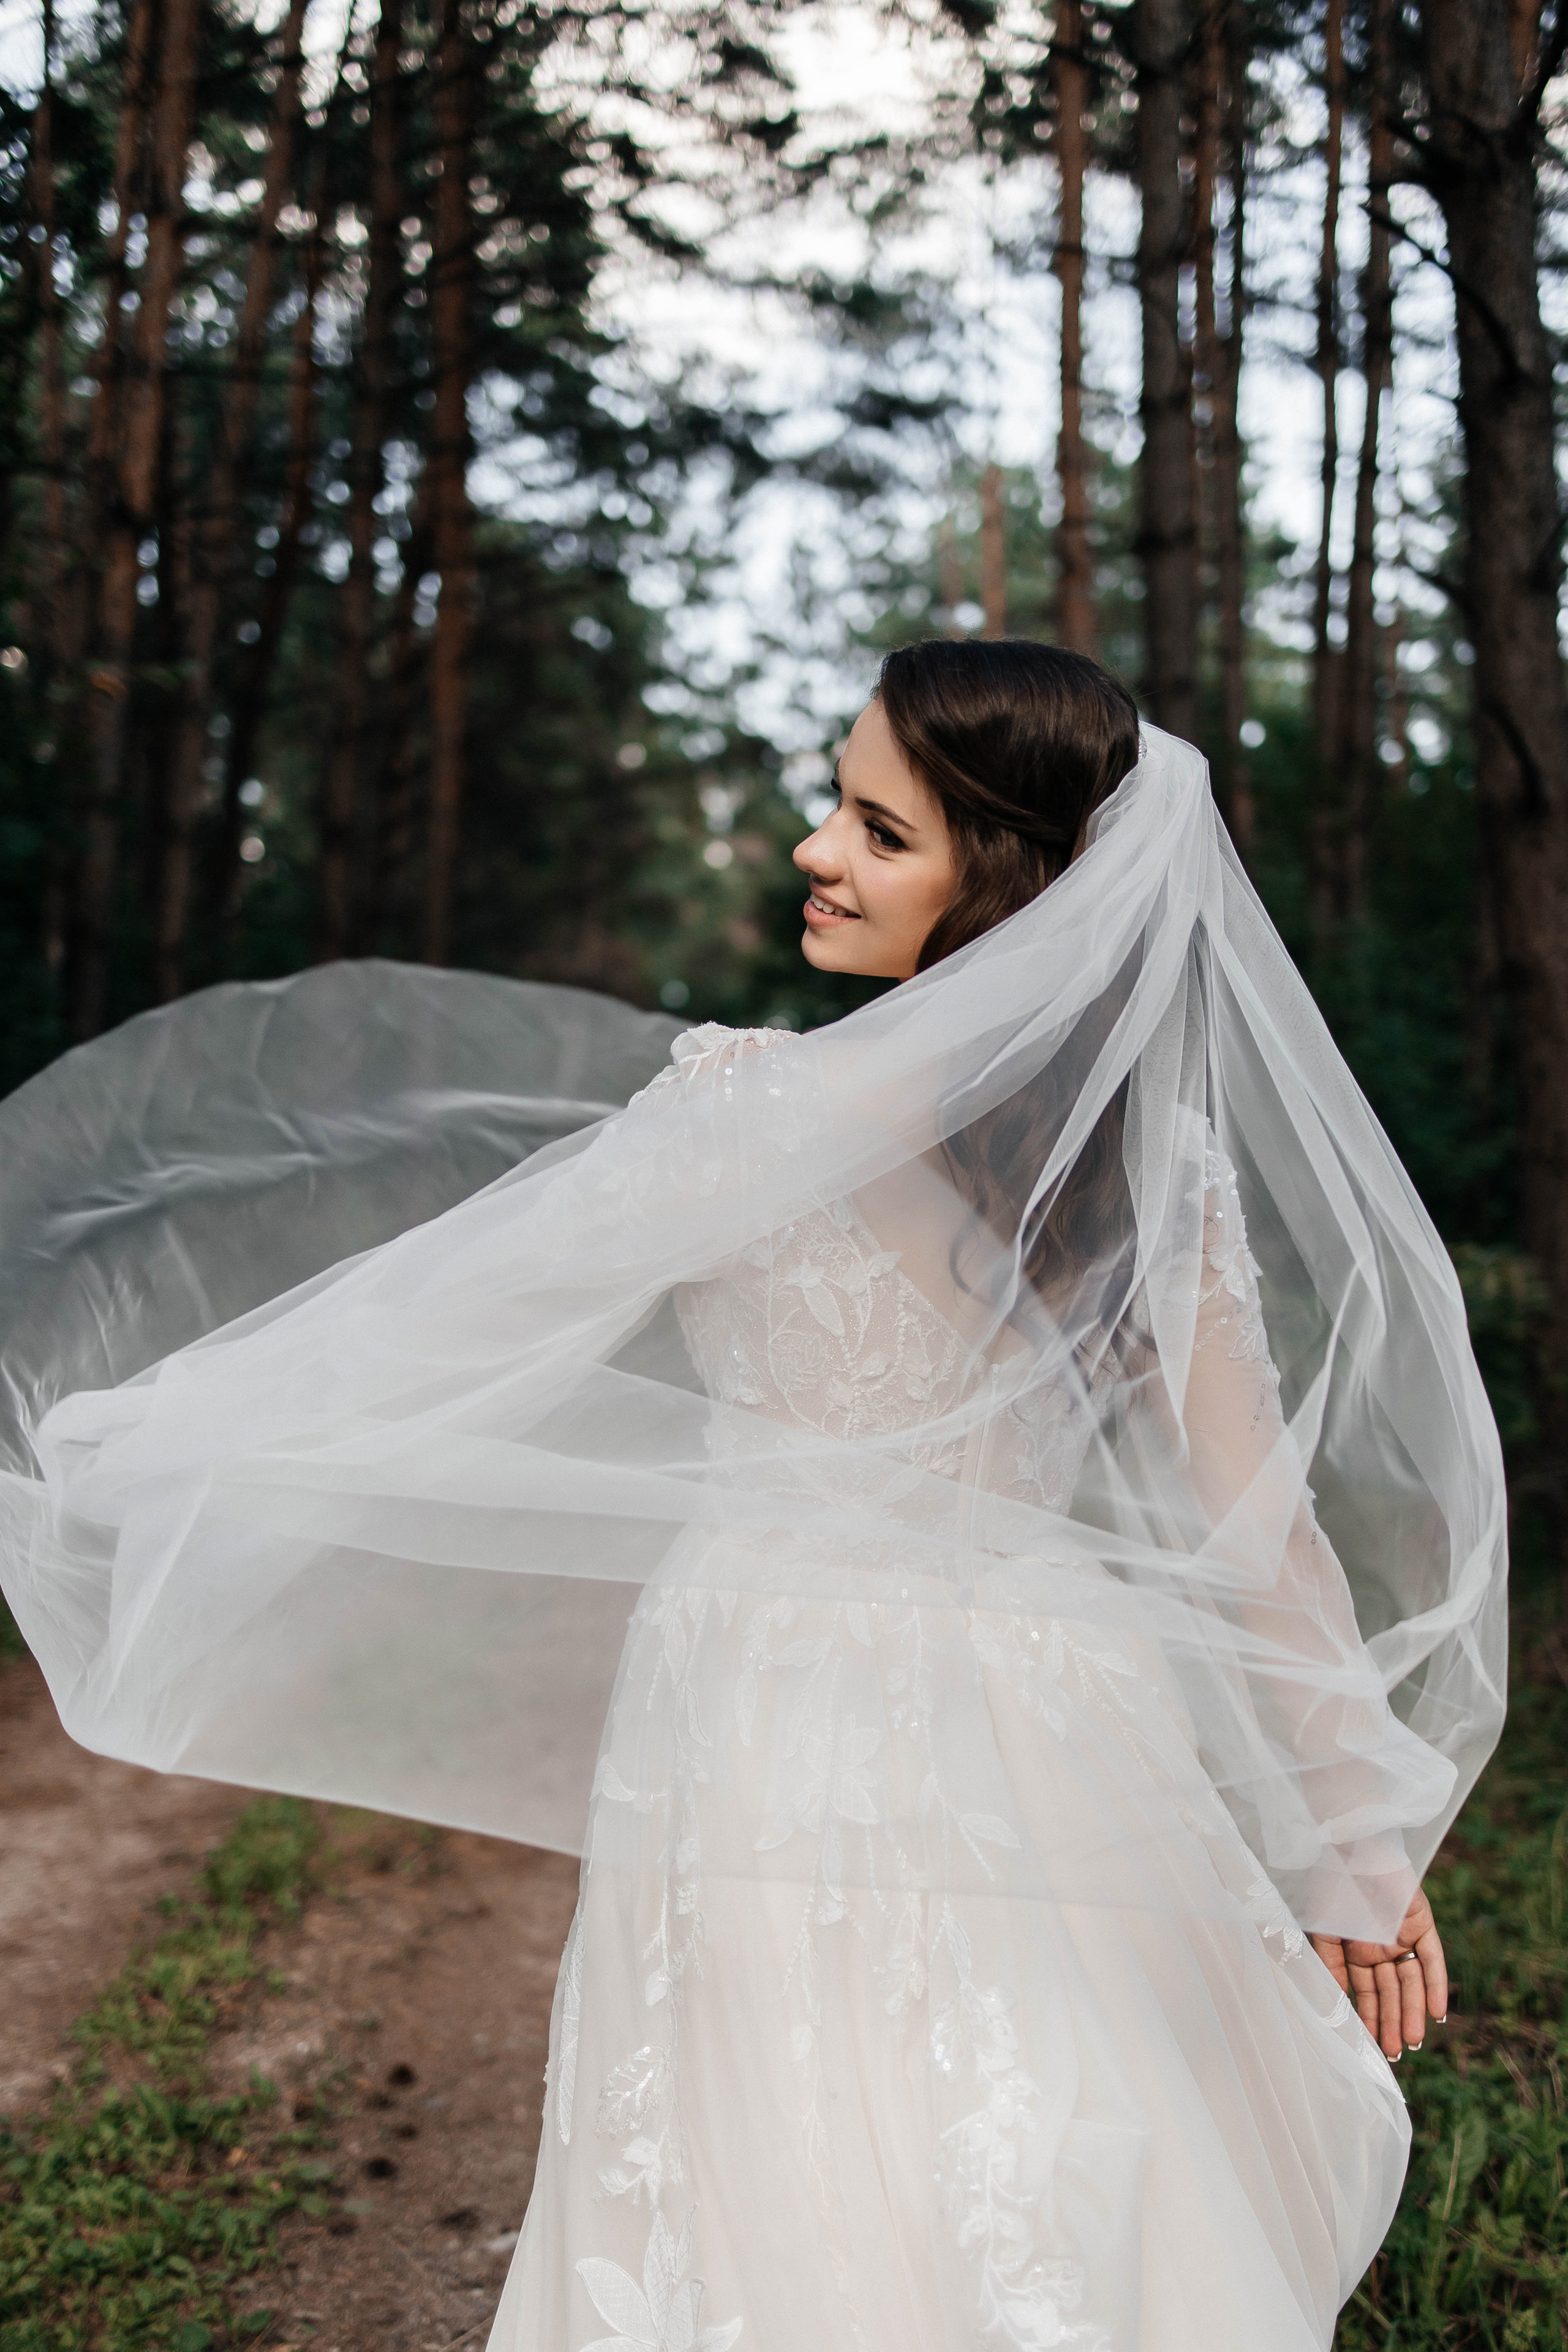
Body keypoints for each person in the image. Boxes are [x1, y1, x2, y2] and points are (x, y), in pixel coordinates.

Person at [0, 641, 1505, 2352]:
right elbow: (1264, 1533)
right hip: (1053, 1698)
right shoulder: (1141, 1164)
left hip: (772, 1689)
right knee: (1045, 2129)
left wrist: (140, 1430)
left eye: (879, 829)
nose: (818, 850)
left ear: (1000, 882)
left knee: (786, 2145)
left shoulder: (747, 1110)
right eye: (835, 804)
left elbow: (437, 1322)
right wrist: (1356, 1841)